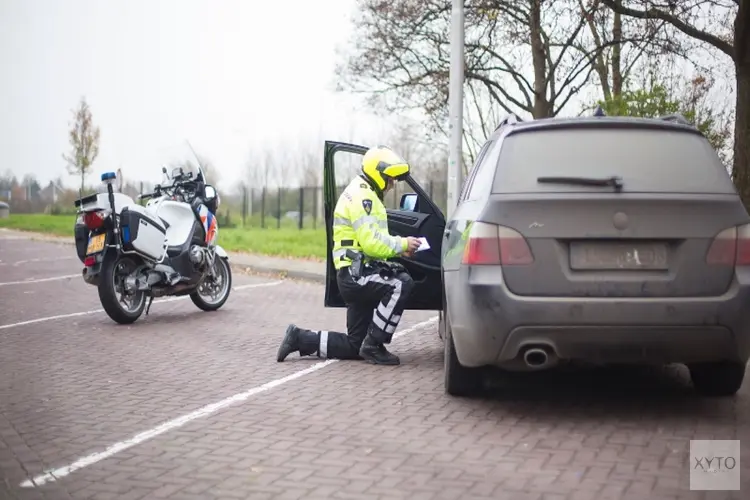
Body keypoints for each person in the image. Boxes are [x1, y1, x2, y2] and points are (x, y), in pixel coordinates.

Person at [277, 146, 422, 365]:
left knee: (355, 346)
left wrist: (400, 249)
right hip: (357, 275)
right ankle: (375, 343)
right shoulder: (363, 197)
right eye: (390, 179)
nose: (392, 185)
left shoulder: (362, 191)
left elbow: (371, 241)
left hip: (352, 273)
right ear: (378, 173)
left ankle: (299, 338)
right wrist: (402, 244)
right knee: (401, 284)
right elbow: (372, 244)